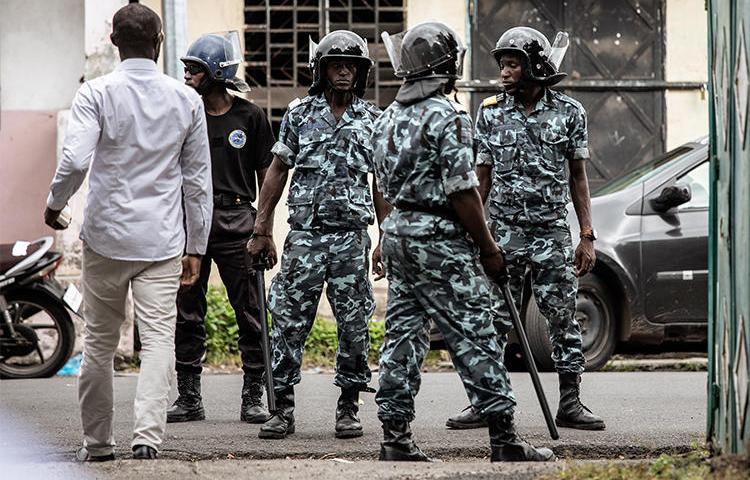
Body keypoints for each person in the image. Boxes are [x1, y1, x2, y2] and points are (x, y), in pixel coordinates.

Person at [372, 21, 554, 462]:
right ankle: (505, 439)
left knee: (402, 335)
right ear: (446, 65)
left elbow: (380, 188)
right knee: (475, 333)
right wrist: (490, 248)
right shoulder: (446, 115)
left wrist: (388, 231)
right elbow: (463, 191)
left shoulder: (386, 118)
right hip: (440, 240)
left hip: (399, 233)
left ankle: (395, 437)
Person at [43, 3, 212, 461]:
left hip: (106, 238)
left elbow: (76, 161)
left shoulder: (95, 93)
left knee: (99, 341)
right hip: (161, 240)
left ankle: (97, 444)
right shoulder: (186, 99)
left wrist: (55, 205)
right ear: (159, 44)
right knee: (159, 339)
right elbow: (197, 181)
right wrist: (197, 245)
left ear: (114, 41)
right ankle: (147, 439)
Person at [445, 26, 605, 432]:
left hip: (551, 233)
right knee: (493, 320)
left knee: (563, 320)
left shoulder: (570, 113)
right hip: (504, 234)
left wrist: (586, 234)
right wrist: (475, 236)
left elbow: (578, 179)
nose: (504, 71)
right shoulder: (490, 111)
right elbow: (481, 178)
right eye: (502, 63)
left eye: (513, 64)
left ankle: (570, 403)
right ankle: (486, 403)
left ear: (534, 66)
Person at [246, 30, 389, 440]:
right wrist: (262, 229)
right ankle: (282, 408)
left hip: (350, 240)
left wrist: (384, 238)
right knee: (288, 322)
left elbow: (379, 182)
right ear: (321, 70)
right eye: (335, 64)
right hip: (305, 238)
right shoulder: (299, 115)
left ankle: (348, 407)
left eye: (351, 65)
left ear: (360, 73)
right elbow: (276, 171)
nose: (344, 71)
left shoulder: (372, 120)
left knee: (354, 324)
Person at [166, 32, 275, 425]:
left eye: (195, 69)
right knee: (187, 311)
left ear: (216, 72)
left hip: (237, 224)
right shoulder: (181, 115)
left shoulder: (250, 116)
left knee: (250, 311)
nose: (188, 75)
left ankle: (253, 396)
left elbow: (269, 174)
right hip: (189, 226)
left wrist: (265, 229)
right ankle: (190, 397)